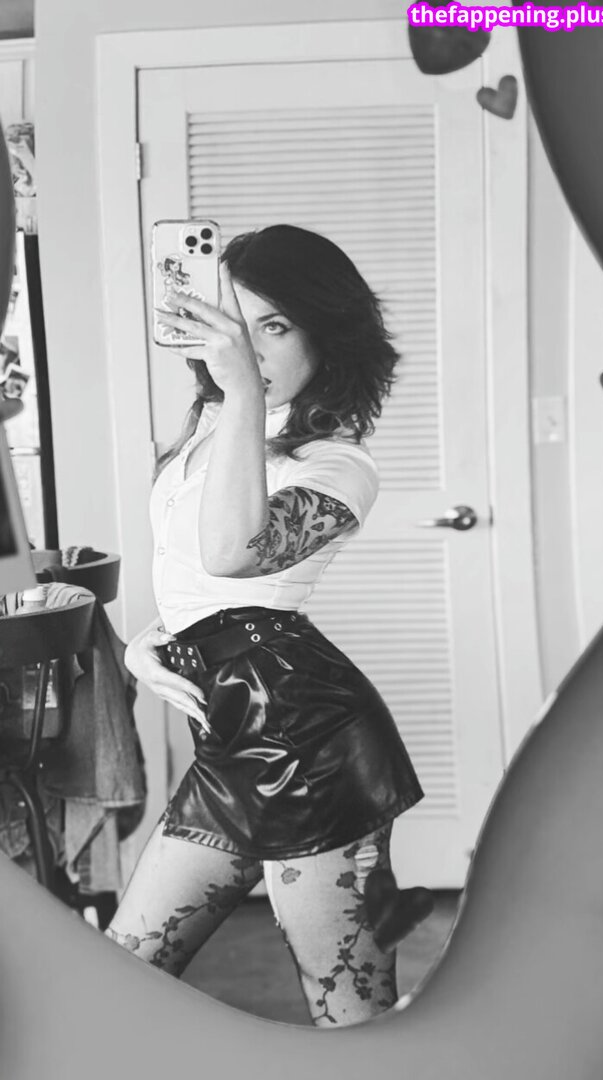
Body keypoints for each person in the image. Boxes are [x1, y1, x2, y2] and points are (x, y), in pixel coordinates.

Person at [106, 224, 424, 1027]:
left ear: (326, 332)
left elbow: (231, 553)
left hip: (306, 746)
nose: (249, 348)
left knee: (350, 1014)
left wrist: (243, 390)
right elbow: (193, 577)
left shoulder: (338, 463)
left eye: (274, 326)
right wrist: (149, 643)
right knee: (120, 971)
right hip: (228, 738)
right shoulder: (216, 424)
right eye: (236, 323)